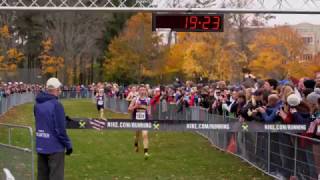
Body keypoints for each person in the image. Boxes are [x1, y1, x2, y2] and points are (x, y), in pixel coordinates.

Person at [34, 77, 72, 180]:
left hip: (41, 144)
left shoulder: (37, 104)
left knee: (42, 176)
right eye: (59, 88)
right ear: (56, 89)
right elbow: (60, 130)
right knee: (56, 176)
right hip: (55, 148)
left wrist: (62, 118)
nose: (60, 90)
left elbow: (44, 120)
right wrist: (68, 145)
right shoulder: (56, 104)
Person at [128, 85, 151, 160]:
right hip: (136, 120)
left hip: (145, 120)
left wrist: (149, 116)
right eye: (141, 90)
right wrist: (135, 106)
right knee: (137, 135)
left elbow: (149, 110)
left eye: (143, 90)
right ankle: (136, 144)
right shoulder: (135, 99)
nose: (142, 91)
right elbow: (129, 109)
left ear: (145, 91)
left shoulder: (148, 100)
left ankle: (146, 152)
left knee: (145, 135)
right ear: (138, 91)